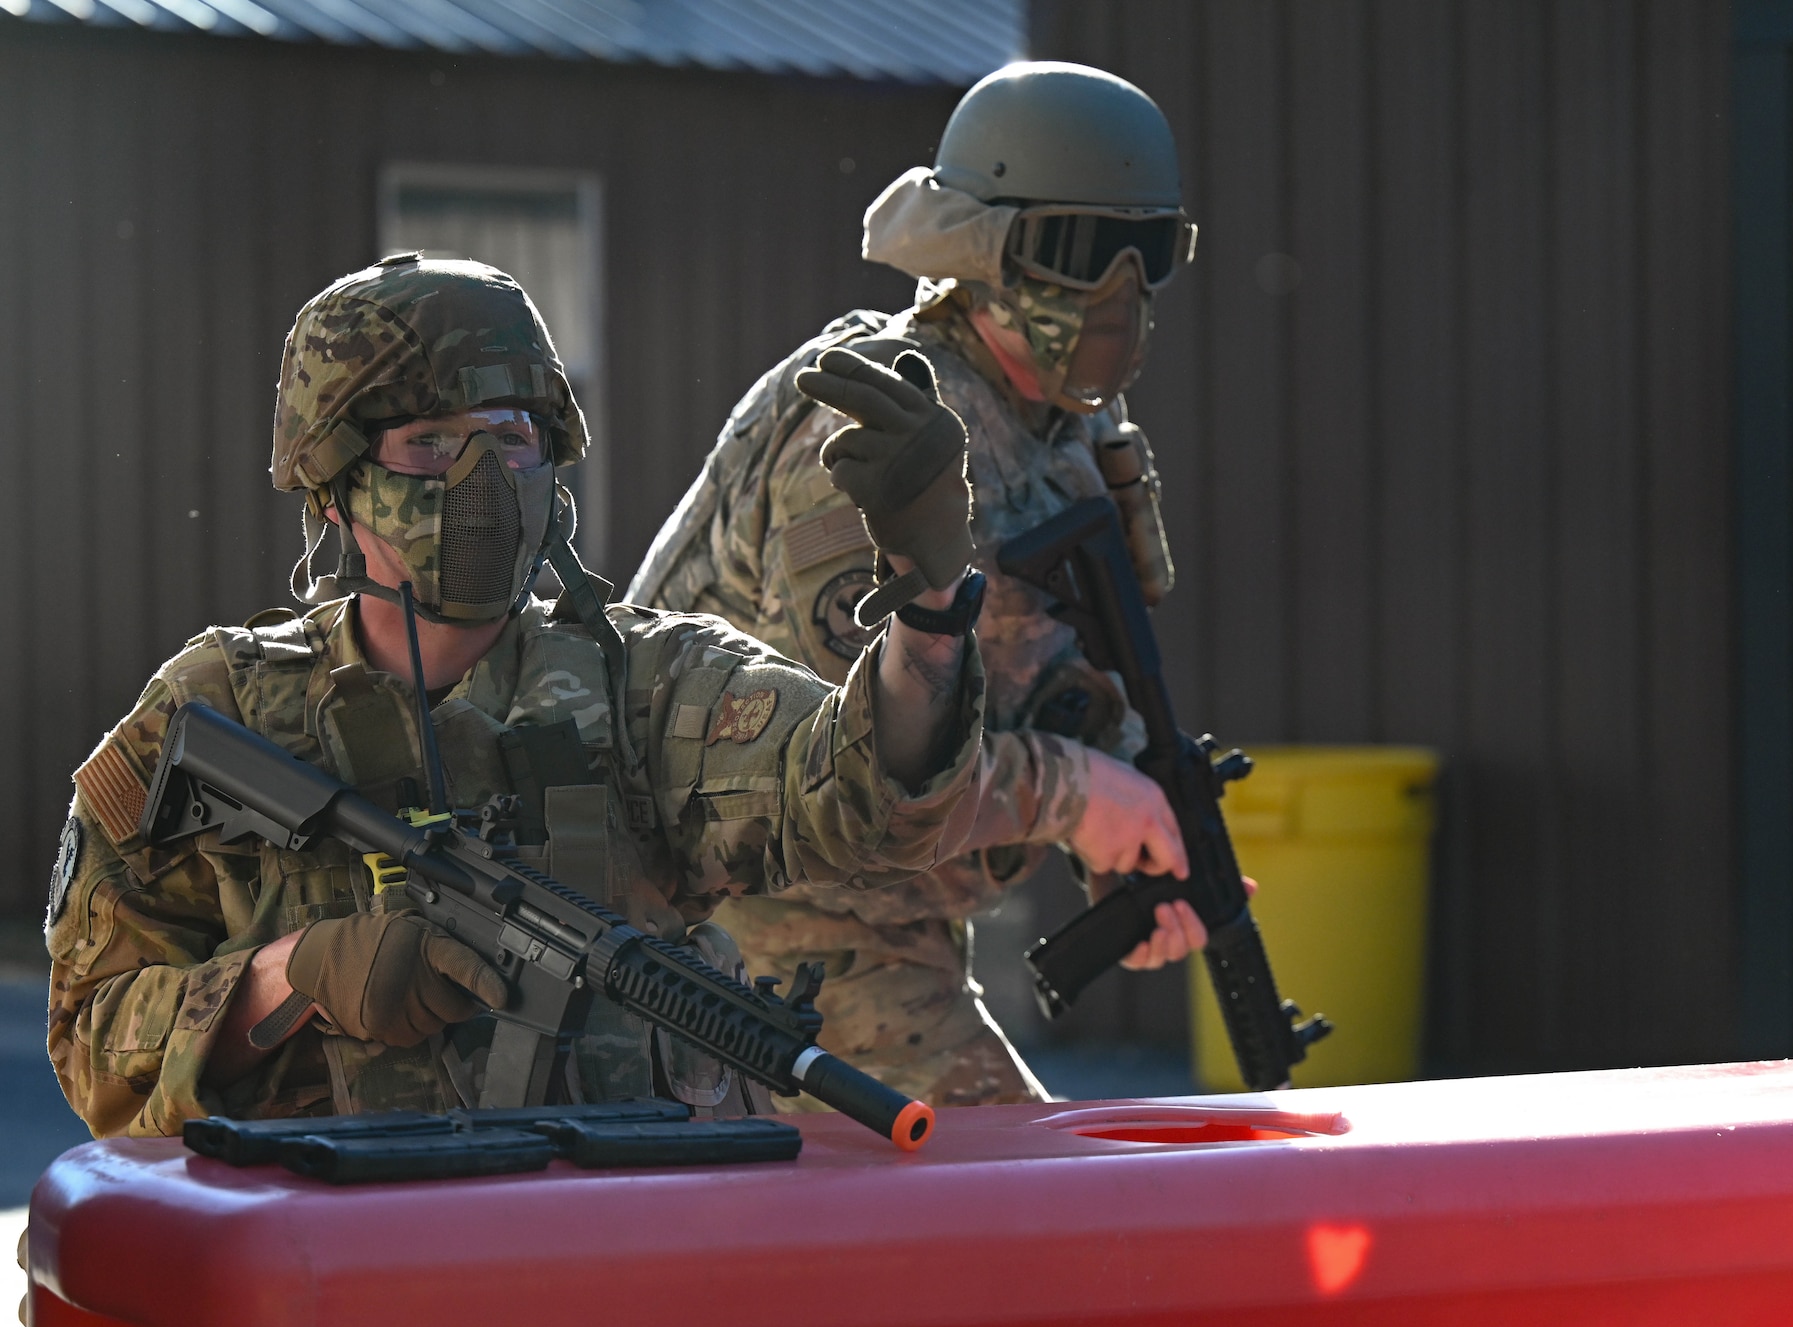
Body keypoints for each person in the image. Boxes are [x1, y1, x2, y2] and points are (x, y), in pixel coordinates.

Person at [45, 254, 987, 1138]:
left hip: (599, 1252)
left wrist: (932, 602)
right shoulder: (218, 710)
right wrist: (294, 975)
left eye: (508, 437)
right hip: (324, 1270)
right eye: (427, 443)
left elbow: (864, 800)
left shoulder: (643, 683)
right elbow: (91, 1044)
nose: (481, 479)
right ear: (335, 489)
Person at [627, 61, 1208, 1109]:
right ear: (977, 249)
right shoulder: (883, 436)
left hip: (878, 925)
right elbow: (845, 767)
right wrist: (1079, 800)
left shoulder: (1068, 442)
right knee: (1018, 1231)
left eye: (1148, 255)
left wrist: (1125, 841)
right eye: (1079, 254)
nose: (1117, 295)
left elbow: (1045, 680)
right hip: (743, 921)